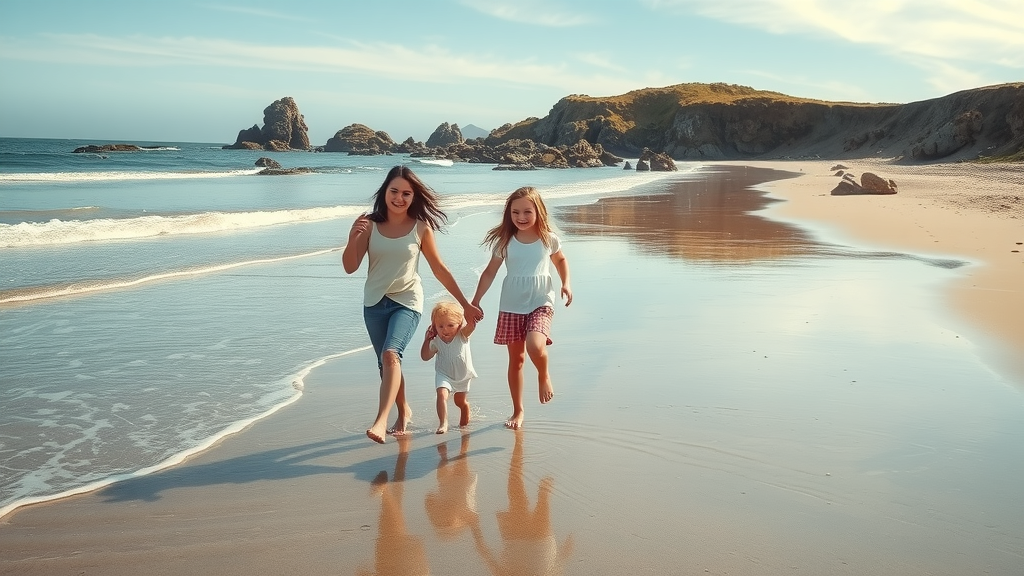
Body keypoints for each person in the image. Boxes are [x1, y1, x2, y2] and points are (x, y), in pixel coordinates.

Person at [343, 165, 483, 444]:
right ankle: (403, 410)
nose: (399, 198)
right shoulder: (369, 224)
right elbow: (350, 266)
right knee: (387, 363)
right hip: (374, 302)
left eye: (406, 193)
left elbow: (439, 269)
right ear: (385, 192)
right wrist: (352, 237)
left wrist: (465, 304)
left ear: (413, 196)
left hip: (407, 301)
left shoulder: (420, 228)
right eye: (394, 191)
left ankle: (381, 421)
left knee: (391, 353)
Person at [471, 186, 572, 430]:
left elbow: (560, 260)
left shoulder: (549, 238)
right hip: (511, 305)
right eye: (516, 212)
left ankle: (543, 374)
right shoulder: (505, 241)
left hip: (541, 301)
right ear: (509, 214)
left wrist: (566, 283)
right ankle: (518, 410)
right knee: (516, 360)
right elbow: (490, 273)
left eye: (527, 211)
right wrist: (475, 301)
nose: (522, 217)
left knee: (535, 345)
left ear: (538, 211)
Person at [420, 301, 477, 434]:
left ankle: (464, 416)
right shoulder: (435, 340)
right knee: (441, 394)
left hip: (462, 375)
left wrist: (471, 313)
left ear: (459, 325)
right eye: (440, 326)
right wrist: (426, 340)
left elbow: (471, 326)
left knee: (460, 402)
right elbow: (425, 356)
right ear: (434, 326)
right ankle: (443, 423)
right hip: (443, 374)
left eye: (450, 325)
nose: (445, 330)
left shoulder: (462, 335)